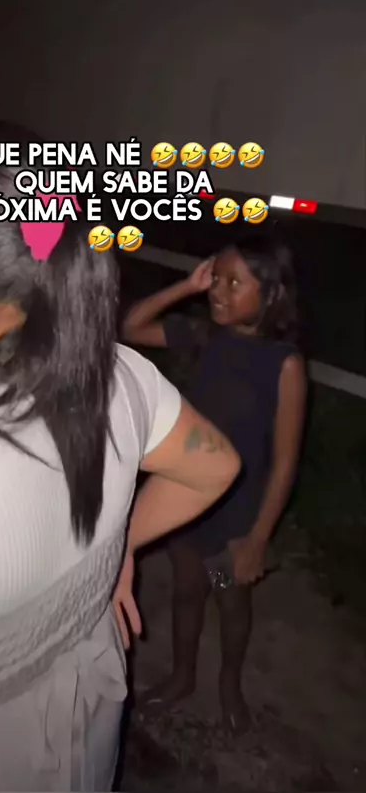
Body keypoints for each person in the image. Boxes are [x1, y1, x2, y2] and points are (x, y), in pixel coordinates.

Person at [0, 121, 241, 792]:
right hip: (84, 743)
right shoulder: (117, 374)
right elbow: (214, 465)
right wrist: (117, 544)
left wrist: (115, 545)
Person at [123, 234, 307, 731]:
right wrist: (186, 287)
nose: (217, 292)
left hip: (236, 515)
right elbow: (132, 326)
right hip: (185, 500)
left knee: (230, 599)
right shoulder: (202, 335)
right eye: (216, 279)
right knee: (186, 590)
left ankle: (229, 685)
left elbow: (285, 461)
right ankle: (182, 676)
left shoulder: (283, 365)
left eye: (233, 283)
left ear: (269, 294)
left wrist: (258, 538)